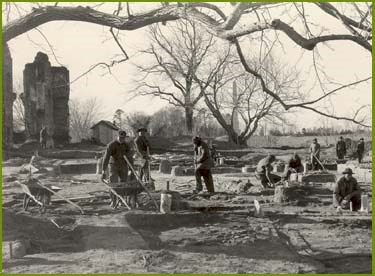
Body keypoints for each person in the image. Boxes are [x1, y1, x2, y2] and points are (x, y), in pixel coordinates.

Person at [101, 130, 133, 207]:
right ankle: (113, 200)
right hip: (113, 165)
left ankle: (121, 200)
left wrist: (131, 169)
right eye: (121, 137)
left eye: (124, 138)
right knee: (113, 183)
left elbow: (130, 158)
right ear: (117, 136)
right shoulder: (111, 145)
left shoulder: (127, 145)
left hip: (123, 166)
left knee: (123, 184)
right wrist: (103, 171)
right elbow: (106, 158)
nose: (122, 139)